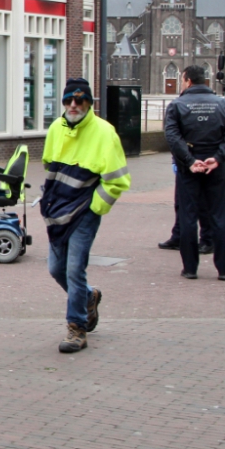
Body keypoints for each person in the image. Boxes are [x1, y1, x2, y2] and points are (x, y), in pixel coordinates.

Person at [41, 78, 130, 353]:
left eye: (80, 100)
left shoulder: (105, 133)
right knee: (56, 269)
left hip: (84, 213)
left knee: (74, 270)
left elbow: (117, 180)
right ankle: (89, 298)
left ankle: (76, 329)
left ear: (89, 103)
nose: (74, 105)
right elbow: (48, 163)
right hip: (58, 213)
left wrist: (94, 207)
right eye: (69, 100)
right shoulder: (56, 128)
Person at [164, 65, 225, 281]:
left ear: (188, 80)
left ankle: (190, 268)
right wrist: (218, 158)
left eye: (182, 80)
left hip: (188, 166)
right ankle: (224, 269)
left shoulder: (177, 105)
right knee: (218, 215)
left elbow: (172, 137)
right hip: (213, 165)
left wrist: (189, 160)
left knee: (188, 216)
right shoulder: (223, 105)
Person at [159, 162, 214, 254]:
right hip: (184, 164)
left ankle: (208, 240)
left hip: (202, 162)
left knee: (203, 204)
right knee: (181, 202)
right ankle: (179, 236)